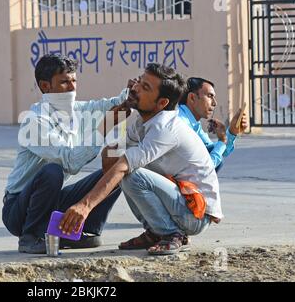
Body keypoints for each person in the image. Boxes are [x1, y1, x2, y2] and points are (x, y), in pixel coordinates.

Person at [59, 63, 222, 255]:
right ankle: (156, 232)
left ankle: (170, 234)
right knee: (122, 169)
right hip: (178, 203)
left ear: (162, 103)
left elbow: (121, 167)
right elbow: (110, 161)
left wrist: (84, 207)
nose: (135, 89)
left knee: (129, 173)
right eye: (139, 82)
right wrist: (116, 117)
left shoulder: (165, 128)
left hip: (195, 214)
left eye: (145, 88)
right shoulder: (140, 120)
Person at [2, 54, 130, 254]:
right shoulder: (35, 121)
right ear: (45, 86)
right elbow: (70, 161)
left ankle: (84, 230)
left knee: (117, 169)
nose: (72, 88)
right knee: (53, 171)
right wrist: (103, 128)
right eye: (64, 82)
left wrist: (132, 92)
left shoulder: (79, 110)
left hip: (53, 200)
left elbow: (112, 103)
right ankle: (31, 235)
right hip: (20, 209)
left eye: (74, 81)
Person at [178, 77, 248, 171]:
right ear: (192, 98)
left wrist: (232, 131)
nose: (214, 103)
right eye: (210, 96)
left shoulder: (194, 122)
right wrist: (222, 140)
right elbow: (206, 167)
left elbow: (220, 151)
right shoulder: (182, 123)